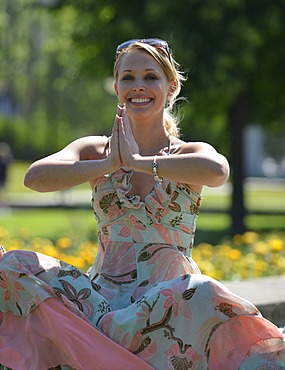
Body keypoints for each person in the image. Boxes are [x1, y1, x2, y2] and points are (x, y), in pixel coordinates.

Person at [0, 38, 284, 370]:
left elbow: (218, 170)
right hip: (102, 306)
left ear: (171, 86)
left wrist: (138, 161)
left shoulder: (187, 154)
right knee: (13, 265)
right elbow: (35, 177)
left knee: (202, 289)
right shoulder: (97, 151)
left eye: (150, 77)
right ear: (117, 86)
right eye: (128, 77)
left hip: (170, 307)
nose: (139, 86)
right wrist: (108, 165)